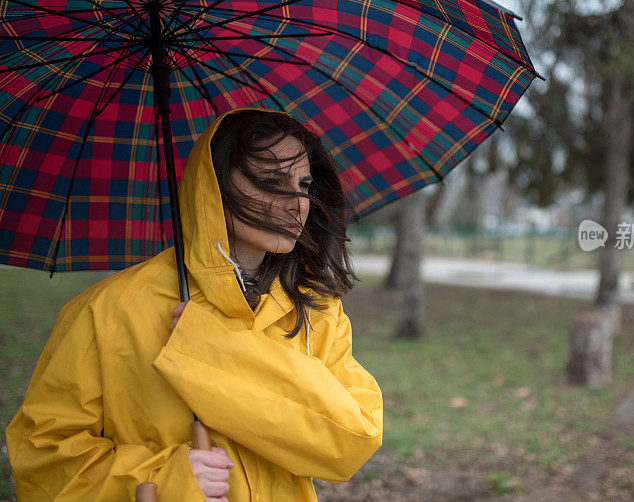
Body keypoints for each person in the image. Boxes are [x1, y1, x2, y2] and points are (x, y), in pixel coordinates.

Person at [5, 108, 383, 501]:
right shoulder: (109, 311)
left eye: (304, 185)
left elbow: (354, 439)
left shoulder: (315, 309)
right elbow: (43, 461)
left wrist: (222, 351)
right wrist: (165, 479)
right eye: (272, 181)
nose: (298, 204)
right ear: (214, 186)